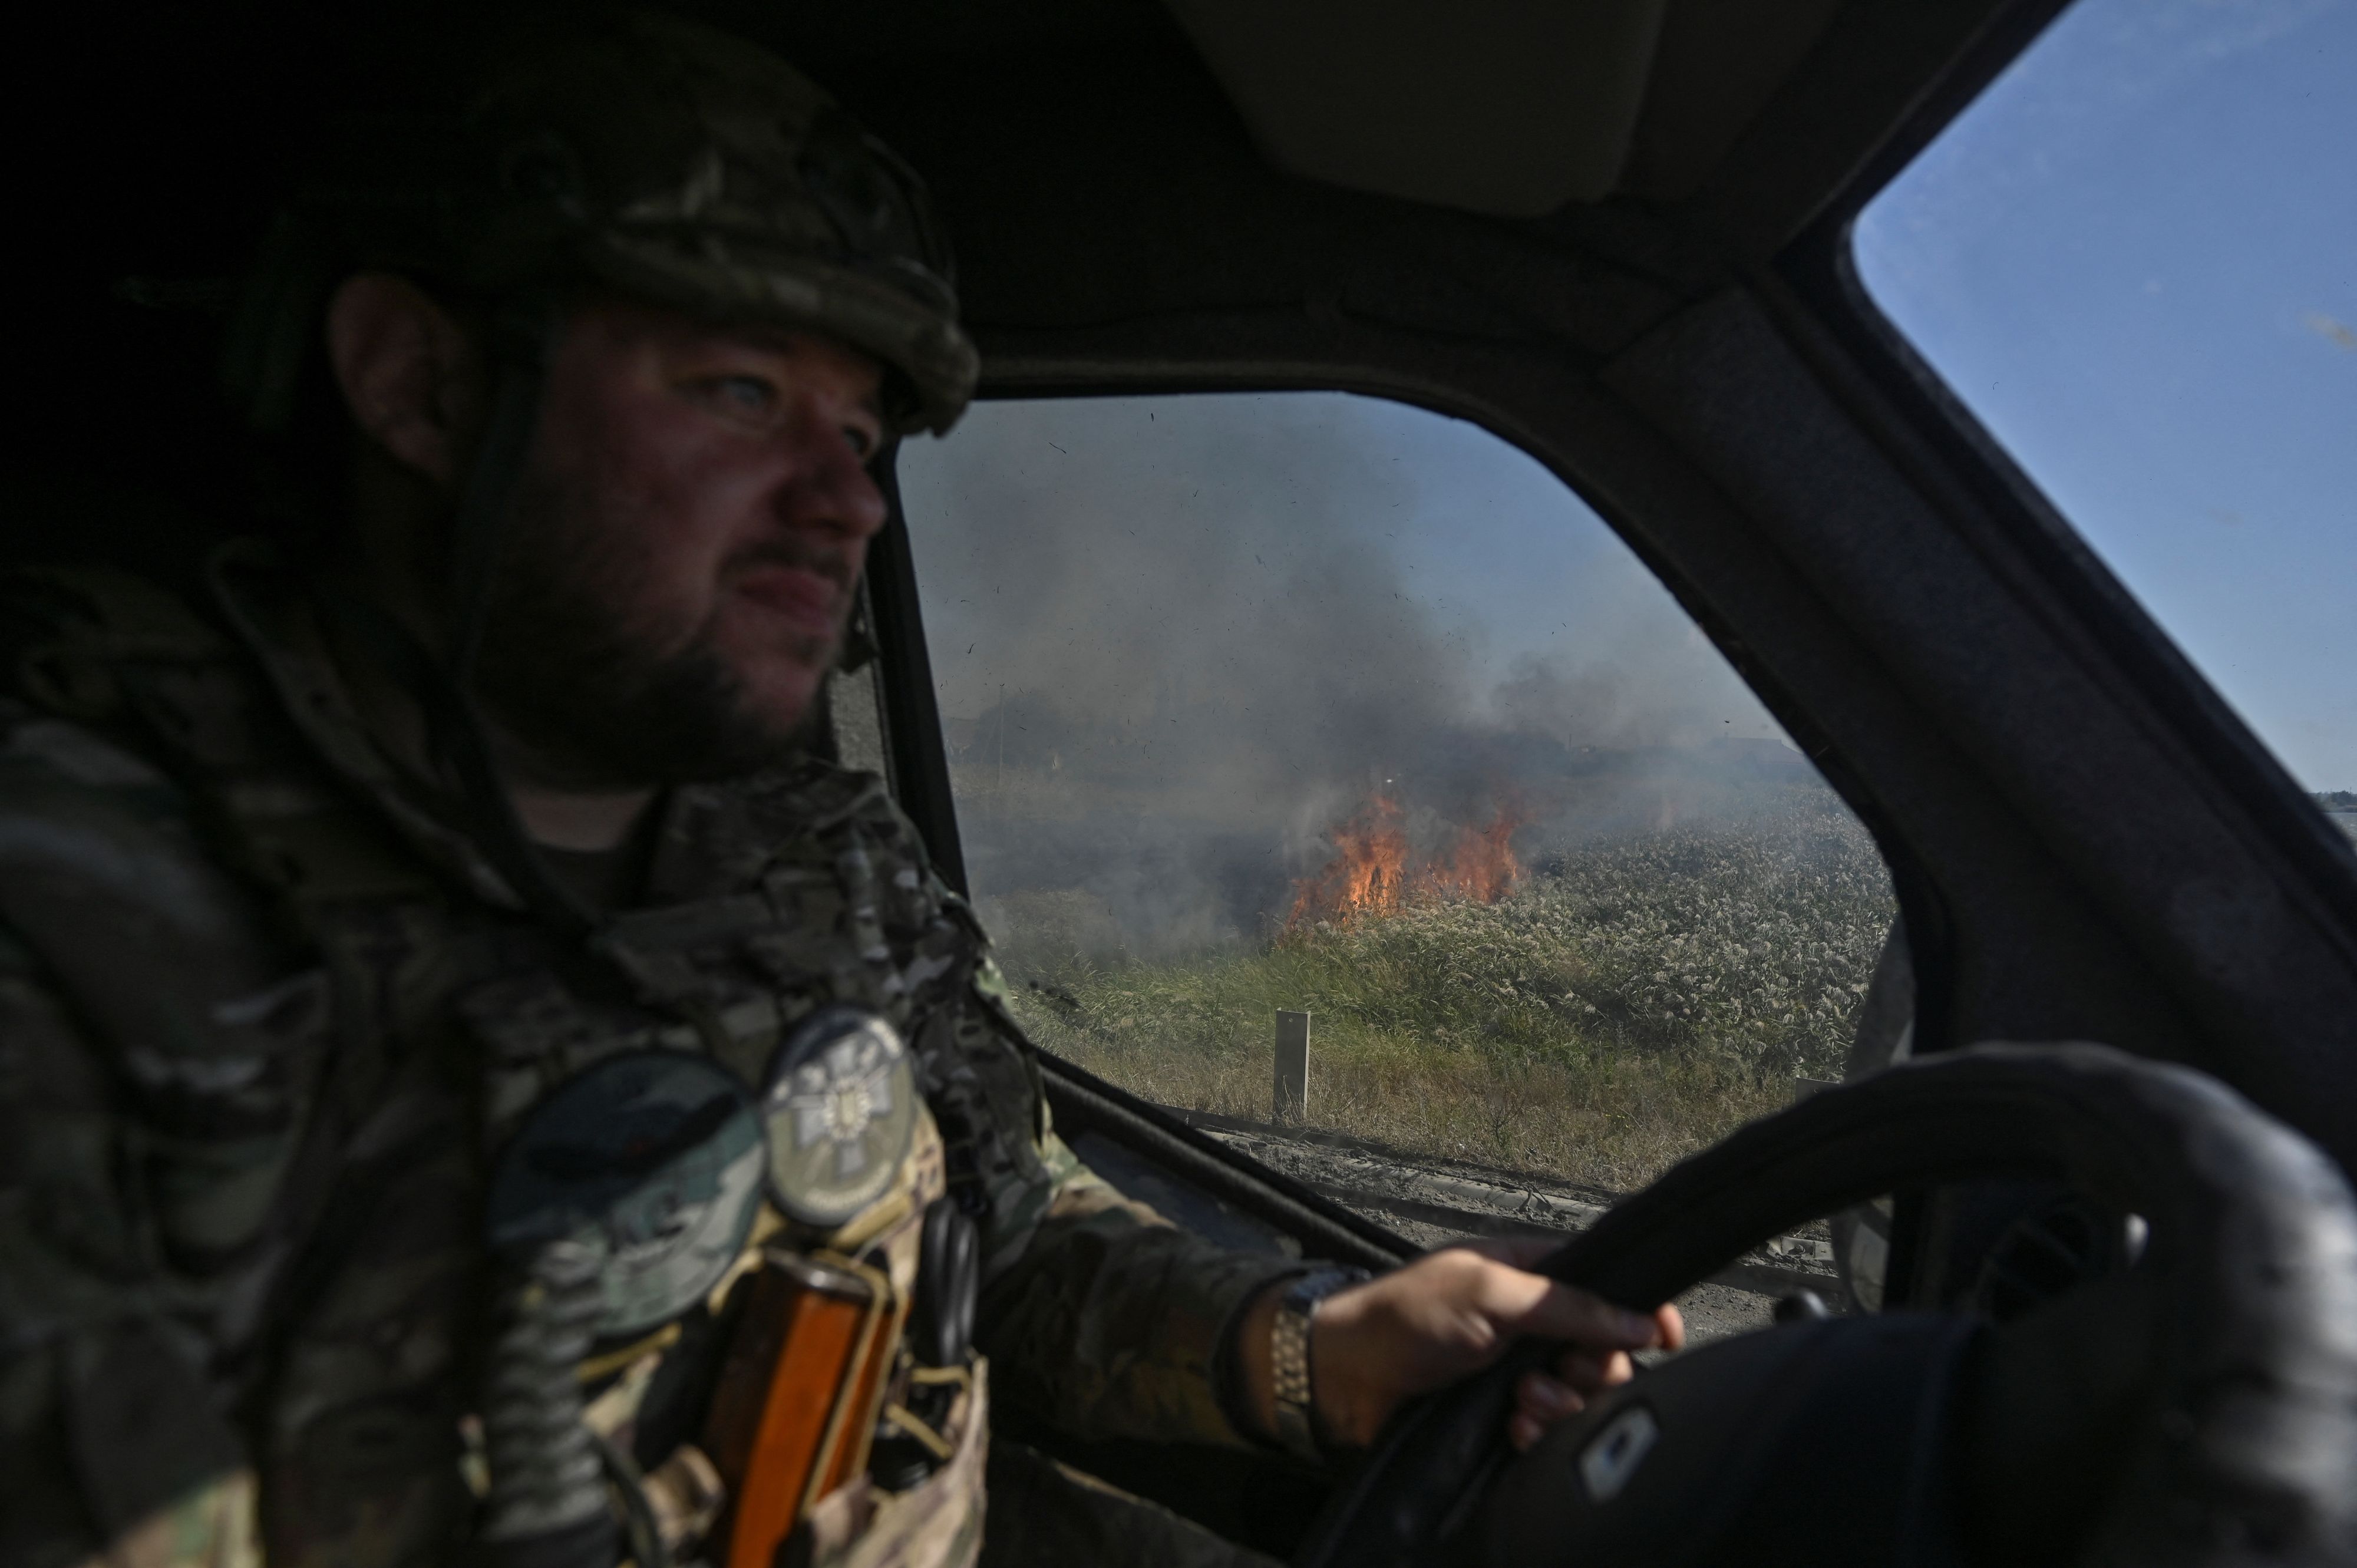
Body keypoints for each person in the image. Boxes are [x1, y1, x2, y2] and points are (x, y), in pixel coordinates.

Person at [0, 10, 1680, 1567]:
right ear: (421, 382)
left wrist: (1309, 1353)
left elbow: (1005, 1240)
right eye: (740, 392)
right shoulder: (87, 908)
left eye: (863, 435)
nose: (847, 505)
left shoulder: (816, 857)